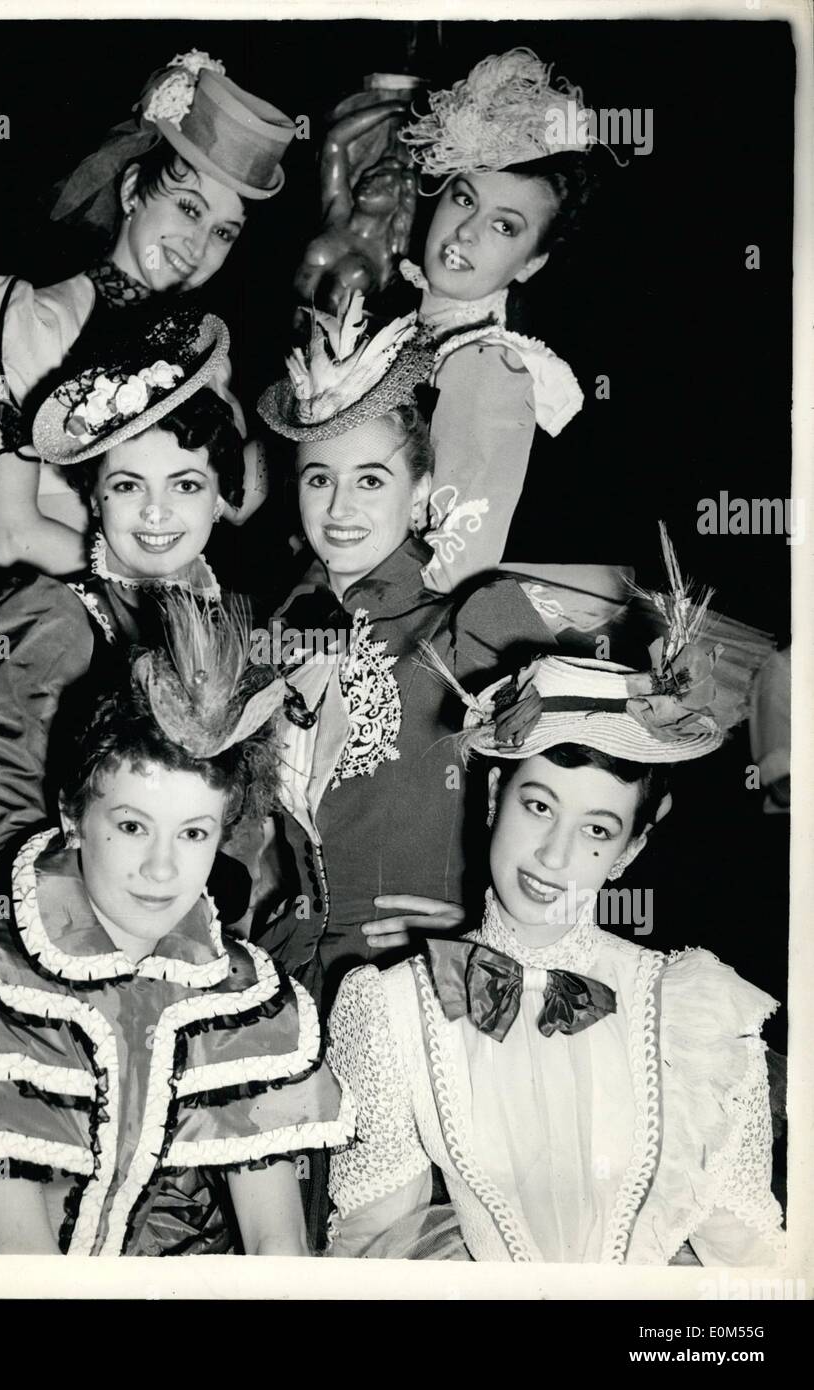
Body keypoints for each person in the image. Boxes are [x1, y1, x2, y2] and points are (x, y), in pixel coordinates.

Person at [0, 598, 354, 1256]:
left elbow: (277, 1244)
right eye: (133, 826)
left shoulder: (243, 1003)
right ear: (75, 817)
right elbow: (21, 1264)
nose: (162, 869)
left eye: (194, 833)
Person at [326, 547, 785, 1264]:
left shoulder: (694, 1011)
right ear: (489, 799)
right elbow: (371, 1249)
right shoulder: (390, 1010)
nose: (553, 855)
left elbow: (749, 1259)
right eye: (538, 805)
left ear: (630, 850)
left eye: (597, 829)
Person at [254, 293, 563, 1012]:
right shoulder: (258, 641)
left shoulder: (476, 631)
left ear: (420, 491)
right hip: (274, 997)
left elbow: (573, 810)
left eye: (371, 480)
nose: (341, 508)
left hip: (422, 998)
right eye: (319, 479)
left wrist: (489, 920)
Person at [0, 50, 293, 574]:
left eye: (224, 232)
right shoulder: (23, 320)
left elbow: (232, 504)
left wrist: (308, 417)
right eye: (188, 207)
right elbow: (10, 535)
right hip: (44, 612)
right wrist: (159, 586)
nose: (198, 244)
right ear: (133, 188)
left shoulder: (200, 349)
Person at [0, 306, 251, 899]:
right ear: (94, 497)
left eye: (186, 485)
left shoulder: (228, 627)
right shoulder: (52, 619)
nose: (155, 512)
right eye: (127, 485)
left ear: (221, 499)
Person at [395, 48, 600, 593]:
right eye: (465, 199)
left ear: (533, 262)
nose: (466, 232)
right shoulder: (404, 330)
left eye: (504, 227)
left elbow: (452, 569)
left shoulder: (490, 367)